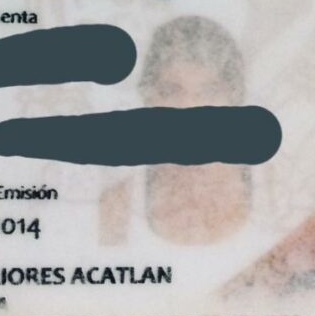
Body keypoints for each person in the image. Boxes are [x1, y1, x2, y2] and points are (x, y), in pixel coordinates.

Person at [99, 15, 252, 245]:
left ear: (235, 99)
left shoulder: (275, 194)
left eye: (209, 91)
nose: (188, 108)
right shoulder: (119, 207)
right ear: (148, 98)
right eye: (171, 91)